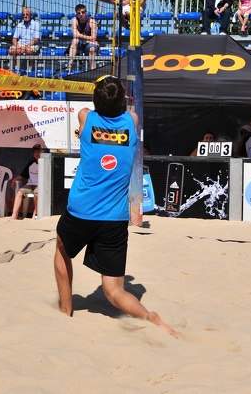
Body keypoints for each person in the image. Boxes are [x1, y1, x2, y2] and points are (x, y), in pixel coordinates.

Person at [53, 75, 175, 336]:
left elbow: (91, 111)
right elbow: (121, 109)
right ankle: (149, 316)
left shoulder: (86, 116)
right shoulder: (132, 121)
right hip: (115, 218)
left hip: (81, 211)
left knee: (62, 249)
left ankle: (66, 310)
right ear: (122, 102)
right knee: (114, 290)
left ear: (96, 100)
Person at [6, 144, 42, 220]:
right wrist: (15, 179)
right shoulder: (31, 163)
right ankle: (14, 215)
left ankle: (35, 214)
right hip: (30, 185)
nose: (37, 154)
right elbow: (23, 175)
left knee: (37, 194)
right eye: (35, 151)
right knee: (19, 192)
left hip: (40, 186)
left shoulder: (46, 163)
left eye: (39, 151)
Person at [67, 3, 99, 73]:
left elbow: (94, 38)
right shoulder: (74, 20)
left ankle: (92, 71)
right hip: (81, 43)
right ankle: (69, 66)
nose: (81, 14)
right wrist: (88, 39)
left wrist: (80, 36)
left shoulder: (92, 21)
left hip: (89, 44)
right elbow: (75, 35)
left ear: (86, 12)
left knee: (92, 49)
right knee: (75, 40)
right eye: (78, 13)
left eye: (83, 12)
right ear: (76, 14)